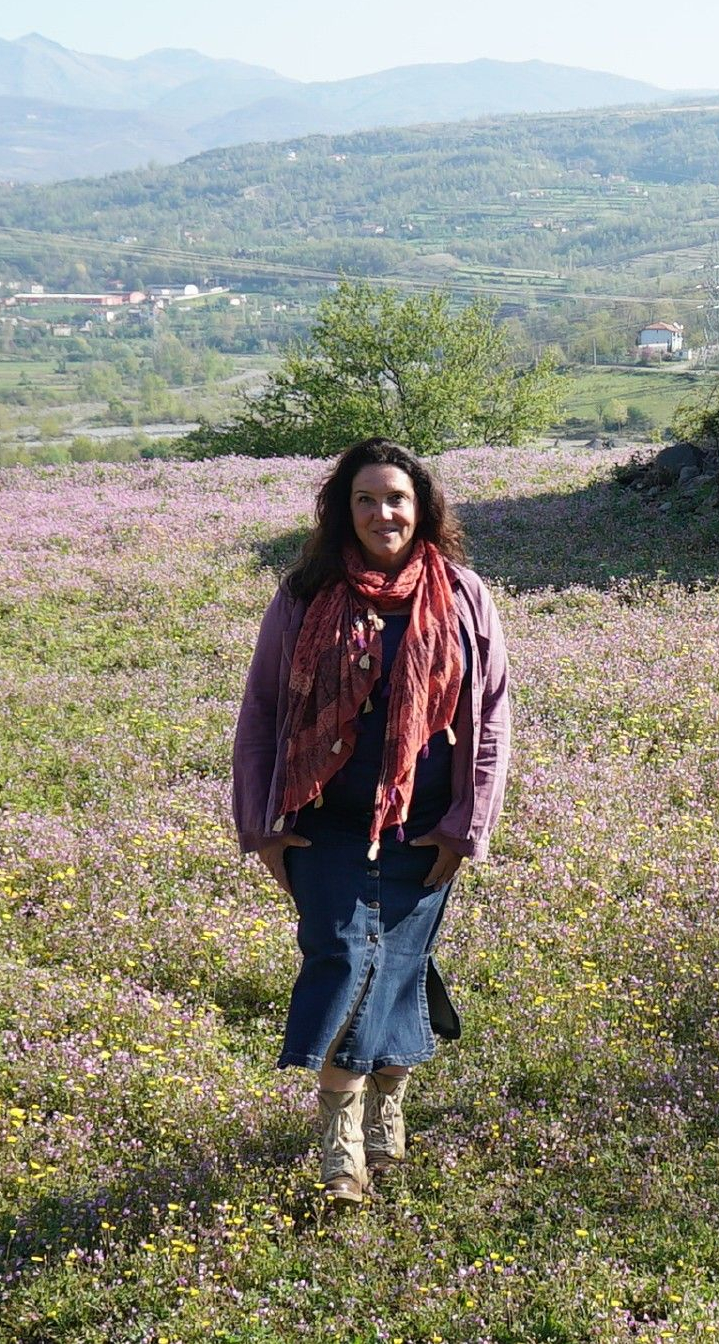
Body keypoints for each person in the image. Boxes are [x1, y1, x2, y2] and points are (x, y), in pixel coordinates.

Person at [231, 437, 512, 1203]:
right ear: (342, 510)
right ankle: (340, 1145)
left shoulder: (460, 595)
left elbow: (490, 716)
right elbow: (261, 712)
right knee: (343, 958)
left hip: (422, 826)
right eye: (365, 498)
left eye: (396, 497)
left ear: (421, 507)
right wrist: (260, 825)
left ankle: (388, 1104)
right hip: (325, 823)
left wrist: (466, 826)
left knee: (398, 965)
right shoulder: (303, 596)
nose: (381, 512)